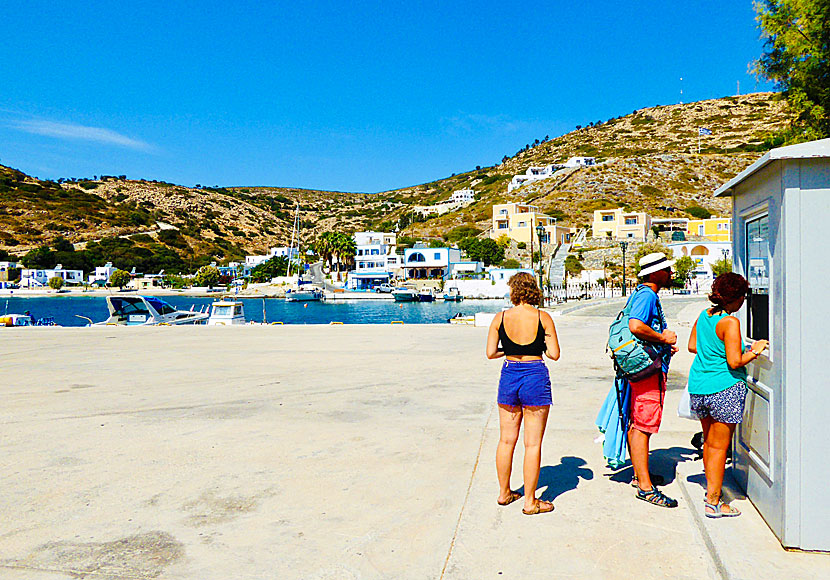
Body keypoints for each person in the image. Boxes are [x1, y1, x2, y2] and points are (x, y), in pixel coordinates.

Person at [687, 273, 767, 518]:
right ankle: (714, 501)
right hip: (724, 388)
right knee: (720, 448)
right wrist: (755, 351)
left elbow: (693, 346)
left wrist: (716, 350)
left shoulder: (704, 315)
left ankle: (711, 489)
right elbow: (734, 361)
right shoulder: (731, 323)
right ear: (738, 298)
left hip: (699, 386)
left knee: (709, 444)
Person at [486, 272, 560, 515]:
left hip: (509, 374)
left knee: (506, 440)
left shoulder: (500, 318)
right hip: (535, 375)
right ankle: (530, 501)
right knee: (532, 443)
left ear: (514, 291)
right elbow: (554, 354)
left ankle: (504, 493)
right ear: (533, 290)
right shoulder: (543, 317)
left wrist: (507, 350)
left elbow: (490, 353)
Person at [627, 252, 679, 508]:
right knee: (643, 425)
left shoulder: (641, 293)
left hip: (642, 367)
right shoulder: (647, 295)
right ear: (655, 273)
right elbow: (636, 326)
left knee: (637, 422)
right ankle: (646, 488)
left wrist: (661, 342)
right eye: (667, 270)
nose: (671, 274)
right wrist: (663, 339)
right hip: (648, 372)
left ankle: (640, 476)